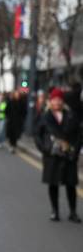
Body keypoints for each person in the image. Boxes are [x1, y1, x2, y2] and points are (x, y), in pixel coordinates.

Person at [34, 88, 82, 223]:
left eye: (60, 100)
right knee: (53, 184)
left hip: (69, 156)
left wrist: (76, 151)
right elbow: (37, 134)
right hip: (52, 156)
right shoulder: (45, 116)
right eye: (55, 100)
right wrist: (44, 149)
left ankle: (73, 212)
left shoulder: (71, 115)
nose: (57, 102)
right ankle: (54, 211)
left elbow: (79, 135)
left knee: (71, 185)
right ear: (50, 101)